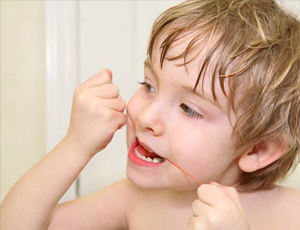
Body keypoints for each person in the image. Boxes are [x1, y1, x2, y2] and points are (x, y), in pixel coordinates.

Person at [1, 0, 300, 229]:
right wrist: (74, 146)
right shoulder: (134, 199)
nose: (145, 117)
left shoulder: (292, 215)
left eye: (188, 109)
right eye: (149, 85)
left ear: (258, 149)